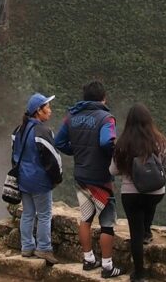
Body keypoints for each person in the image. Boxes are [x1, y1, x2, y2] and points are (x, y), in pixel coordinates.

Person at [54, 81, 123, 278]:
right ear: (103, 98)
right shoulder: (107, 119)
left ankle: (88, 259)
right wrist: (113, 155)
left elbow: (59, 142)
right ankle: (108, 266)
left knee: (85, 218)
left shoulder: (72, 117)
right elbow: (106, 141)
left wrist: (75, 151)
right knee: (106, 223)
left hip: (81, 176)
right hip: (101, 179)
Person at [109, 104, 166, 281]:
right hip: (155, 192)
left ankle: (139, 274)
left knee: (135, 234)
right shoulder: (160, 141)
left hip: (131, 195)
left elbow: (113, 171)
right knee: (149, 201)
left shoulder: (122, 143)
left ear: (129, 122)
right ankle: (147, 231)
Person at [12, 92, 64, 263]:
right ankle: (43, 248)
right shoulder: (43, 131)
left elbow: (15, 156)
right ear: (38, 111)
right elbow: (53, 159)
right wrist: (57, 178)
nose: (50, 110)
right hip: (39, 181)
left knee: (27, 213)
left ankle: (27, 247)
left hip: (23, 179)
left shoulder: (19, 130)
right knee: (44, 215)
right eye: (47, 107)